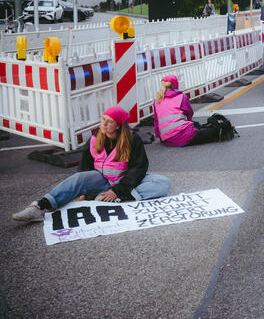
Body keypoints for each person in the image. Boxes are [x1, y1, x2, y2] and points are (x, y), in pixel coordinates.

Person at [12, 106, 172, 223]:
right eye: (103, 119)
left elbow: (139, 168)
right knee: (78, 177)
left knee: (163, 183)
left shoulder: (133, 139)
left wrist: (118, 190)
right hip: (101, 180)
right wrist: (83, 192)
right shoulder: (95, 139)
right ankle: (40, 207)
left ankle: (113, 198)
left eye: (109, 122)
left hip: (124, 182)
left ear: (118, 126)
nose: (104, 124)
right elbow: (85, 167)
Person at [154, 75, 222, 145]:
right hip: (183, 136)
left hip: (167, 140)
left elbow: (157, 122)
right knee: (213, 131)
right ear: (175, 84)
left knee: (196, 125)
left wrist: (160, 137)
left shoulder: (157, 101)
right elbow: (189, 113)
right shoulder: (181, 97)